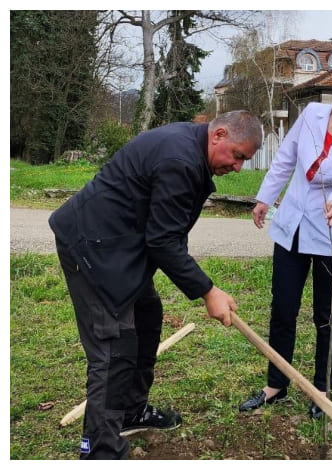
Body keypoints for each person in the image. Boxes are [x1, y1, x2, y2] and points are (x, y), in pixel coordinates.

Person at [49, 110, 264, 459]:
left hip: (117, 247)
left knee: (147, 315)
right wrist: (208, 291)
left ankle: (131, 410)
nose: (238, 167)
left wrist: (202, 285)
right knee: (114, 345)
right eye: (238, 156)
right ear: (219, 134)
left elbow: (167, 234)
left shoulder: (190, 150)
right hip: (91, 247)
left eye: (245, 161)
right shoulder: (180, 159)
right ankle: (100, 450)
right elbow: (163, 241)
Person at [237, 66, 332, 419]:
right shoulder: (311, 115)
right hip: (292, 224)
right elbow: (286, 158)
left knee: (326, 315)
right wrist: (264, 198)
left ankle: (322, 389)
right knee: (282, 309)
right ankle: (276, 384)